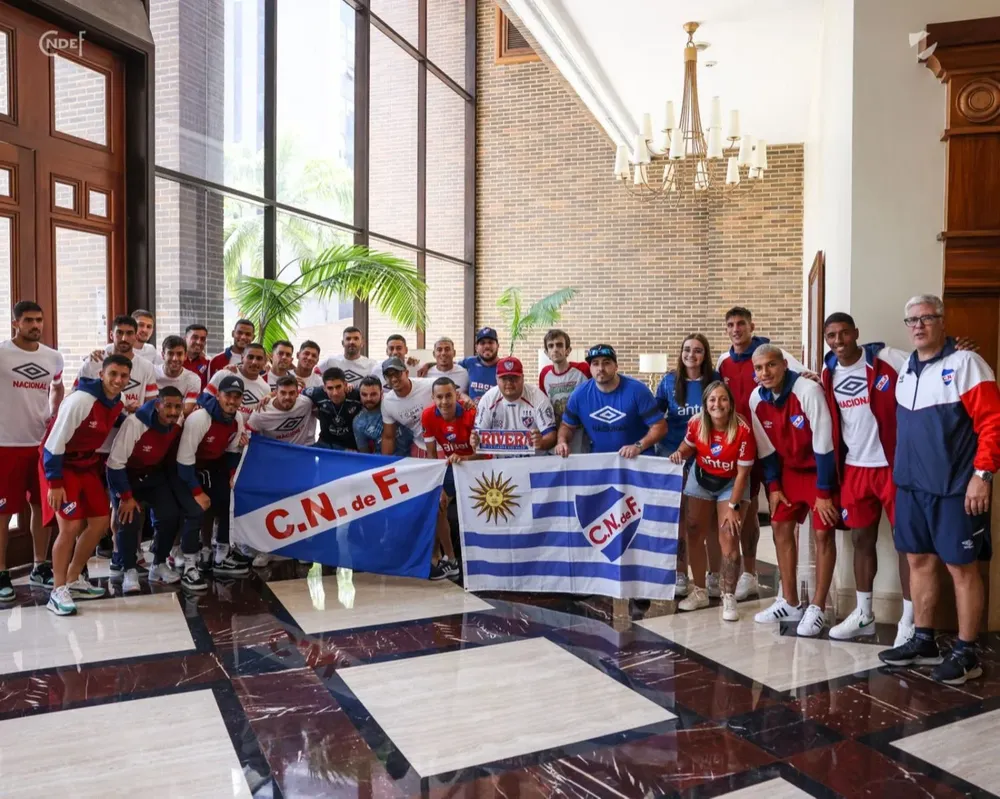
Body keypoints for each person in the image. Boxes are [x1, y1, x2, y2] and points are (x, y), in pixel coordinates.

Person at [878, 295, 1000, 685]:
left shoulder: (966, 364)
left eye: (927, 318)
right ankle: (924, 640)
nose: (918, 325)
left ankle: (966, 653)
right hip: (911, 489)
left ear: (942, 321)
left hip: (954, 491)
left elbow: (993, 423)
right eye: (912, 320)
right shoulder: (905, 370)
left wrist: (983, 475)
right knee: (919, 562)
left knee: (962, 568)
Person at [821, 313, 913, 644]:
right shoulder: (827, 372)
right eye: (831, 335)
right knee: (861, 540)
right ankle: (864, 615)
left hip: (893, 466)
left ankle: (910, 621)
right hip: (855, 468)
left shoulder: (887, 359)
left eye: (844, 333)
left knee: (908, 543)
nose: (838, 341)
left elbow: (927, 362)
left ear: (856, 333)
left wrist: (953, 349)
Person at [716, 306, 814, 603]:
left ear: (752, 326)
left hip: (772, 446)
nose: (736, 329)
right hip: (739, 449)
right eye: (731, 324)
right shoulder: (723, 362)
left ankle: (788, 582)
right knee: (745, 513)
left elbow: (805, 376)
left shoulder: (772, 354)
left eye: (741, 323)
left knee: (781, 512)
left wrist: (815, 377)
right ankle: (749, 574)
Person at [748, 344, 839, 636]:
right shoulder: (755, 398)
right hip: (789, 472)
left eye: (771, 365)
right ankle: (789, 601)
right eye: (759, 368)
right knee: (780, 526)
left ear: (784, 365)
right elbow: (765, 448)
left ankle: (818, 607)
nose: (765, 372)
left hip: (818, 471)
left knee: (823, 533)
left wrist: (824, 492)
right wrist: (774, 486)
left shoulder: (807, 390)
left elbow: (824, 442)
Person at [41, 354, 131, 615]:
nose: (118, 380)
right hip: (60, 464)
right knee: (70, 527)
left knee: (100, 522)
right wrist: (54, 483)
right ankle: (57, 590)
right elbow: (53, 444)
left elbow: (112, 420)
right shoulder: (81, 400)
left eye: (123, 376)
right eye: (113, 374)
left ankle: (73, 578)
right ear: (101, 374)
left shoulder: (118, 401)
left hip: (86, 464)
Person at [669, 381, 755, 621]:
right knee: (693, 530)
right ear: (705, 405)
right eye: (712, 400)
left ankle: (728, 596)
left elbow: (743, 474)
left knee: (729, 534)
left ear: (731, 403)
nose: (718, 404)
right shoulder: (696, 423)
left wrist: (733, 507)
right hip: (701, 477)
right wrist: (679, 453)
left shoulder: (743, 430)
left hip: (732, 482)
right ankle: (699, 591)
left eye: (723, 399)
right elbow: (688, 447)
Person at [0, 301, 65, 598]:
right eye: (29, 320)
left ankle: (40, 566)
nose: (36, 325)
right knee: (3, 512)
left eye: (39, 319)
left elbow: (58, 386)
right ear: (16, 323)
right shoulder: (2, 354)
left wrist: (54, 413)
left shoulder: (53, 357)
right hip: (6, 444)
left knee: (42, 506)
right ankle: (2, 572)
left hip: (40, 446)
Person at [655, 333, 722, 599]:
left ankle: (714, 575)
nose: (691, 355)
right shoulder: (669, 382)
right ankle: (680, 573)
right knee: (680, 518)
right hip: (675, 455)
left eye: (697, 350)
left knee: (709, 520)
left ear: (705, 355)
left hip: (706, 457)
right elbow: (654, 416)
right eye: (687, 349)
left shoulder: (715, 380)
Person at [105, 387, 186, 593]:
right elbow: (115, 463)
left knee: (171, 514)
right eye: (168, 406)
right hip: (126, 475)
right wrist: (126, 496)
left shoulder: (178, 420)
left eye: (178, 407)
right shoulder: (135, 423)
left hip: (153, 475)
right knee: (128, 519)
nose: (173, 411)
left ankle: (158, 563)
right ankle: (129, 569)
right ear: (157, 405)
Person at [176, 375, 247, 577]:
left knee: (228, 500)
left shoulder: (237, 418)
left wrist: (232, 476)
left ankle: (221, 554)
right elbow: (184, 461)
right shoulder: (200, 419)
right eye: (227, 396)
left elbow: (232, 452)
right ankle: (189, 561)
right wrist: (197, 491)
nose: (232, 401)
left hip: (213, 466)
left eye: (236, 397)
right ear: (218, 395)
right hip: (186, 468)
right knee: (195, 509)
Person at [555, 344, 666, 458]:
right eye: (595, 363)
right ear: (590, 368)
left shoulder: (638, 390)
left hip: (637, 459)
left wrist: (638, 446)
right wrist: (562, 441)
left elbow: (660, 426)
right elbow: (567, 426)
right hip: (602, 461)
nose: (600, 368)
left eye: (606, 363)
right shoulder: (579, 395)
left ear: (616, 366)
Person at [423, 377, 481, 580]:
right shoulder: (428, 415)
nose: (444, 401)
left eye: (448, 396)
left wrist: (466, 457)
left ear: (457, 395)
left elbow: (486, 452)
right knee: (437, 502)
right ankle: (451, 561)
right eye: (439, 397)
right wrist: (436, 485)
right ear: (432, 398)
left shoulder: (472, 413)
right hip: (453, 468)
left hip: (479, 466)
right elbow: (431, 456)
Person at [471, 356, 557, 457]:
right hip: (501, 464)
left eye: (514, 378)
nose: (509, 383)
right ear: (496, 379)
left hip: (534, 462)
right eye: (504, 378)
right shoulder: (488, 399)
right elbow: (477, 439)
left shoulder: (538, 397)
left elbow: (551, 435)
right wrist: (474, 441)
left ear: (522, 378)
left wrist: (542, 442)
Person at [538, 329, 590, 451]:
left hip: (580, 434)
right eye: (551, 346)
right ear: (546, 352)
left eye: (559, 345)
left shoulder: (583, 369)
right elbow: (543, 404)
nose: (555, 349)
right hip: (556, 435)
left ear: (568, 350)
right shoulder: (544, 374)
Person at [381, 356, 437, 456]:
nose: (394, 379)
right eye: (389, 376)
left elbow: (456, 396)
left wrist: (465, 399)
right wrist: (384, 462)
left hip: (446, 445)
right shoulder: (387, 403)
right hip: (420, 447)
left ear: (406, 373)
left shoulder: (431, 385)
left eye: (397, 373)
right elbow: (389, 437)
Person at [205, 342, 270, 421]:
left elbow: (260, 417)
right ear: (242, 358)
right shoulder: (224, 374)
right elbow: (205, 400)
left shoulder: (265, 388)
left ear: (265, 361)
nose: (254, 362)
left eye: (259, 358)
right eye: (250, 357)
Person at [249, 375, 318, 447]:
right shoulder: (261, 412)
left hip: (301, 450)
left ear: (297, 393)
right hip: (274, 451)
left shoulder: (306, 403)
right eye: (283, 393)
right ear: (276, 393)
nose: (287, 397)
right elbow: (250, 436)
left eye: (291, 393)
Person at [354, 375, 413, 456]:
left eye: (373, 394)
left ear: (381, 393)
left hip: (412, 455)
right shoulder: (359, 422)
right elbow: (365, 454)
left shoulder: (395, 402)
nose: (368, 398)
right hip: (384, 459)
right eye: (364, 394)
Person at [304, 368, 360, 450]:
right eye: (330, 388)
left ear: (345, 384)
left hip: (350, 447)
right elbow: (297, 394)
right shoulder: (317, 393)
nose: (335, 393)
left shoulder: (356, 395)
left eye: (338, 387)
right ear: (324, 388)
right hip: (325, 445)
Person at [155, 335, 202, 416]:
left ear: (185, 356)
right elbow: (147, 405)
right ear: (163, 355)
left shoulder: (193, 379)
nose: (175, 358)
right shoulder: (152, 373)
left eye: (179, 354)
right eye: (170, 353)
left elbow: (187, 410)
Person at [459, 327, 501, 402]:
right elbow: (450, 367)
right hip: (471, 408)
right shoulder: (469, 362)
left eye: (490, 342)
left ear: (497, 346)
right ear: (476, 347)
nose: (487, 346)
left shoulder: (503, 366)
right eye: (482, 343)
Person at [183, 324, 211, 389]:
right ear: (185, 339)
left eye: (202, 339)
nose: (199, 342)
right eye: (195, 337)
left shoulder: (209, 362)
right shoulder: (176, 360)